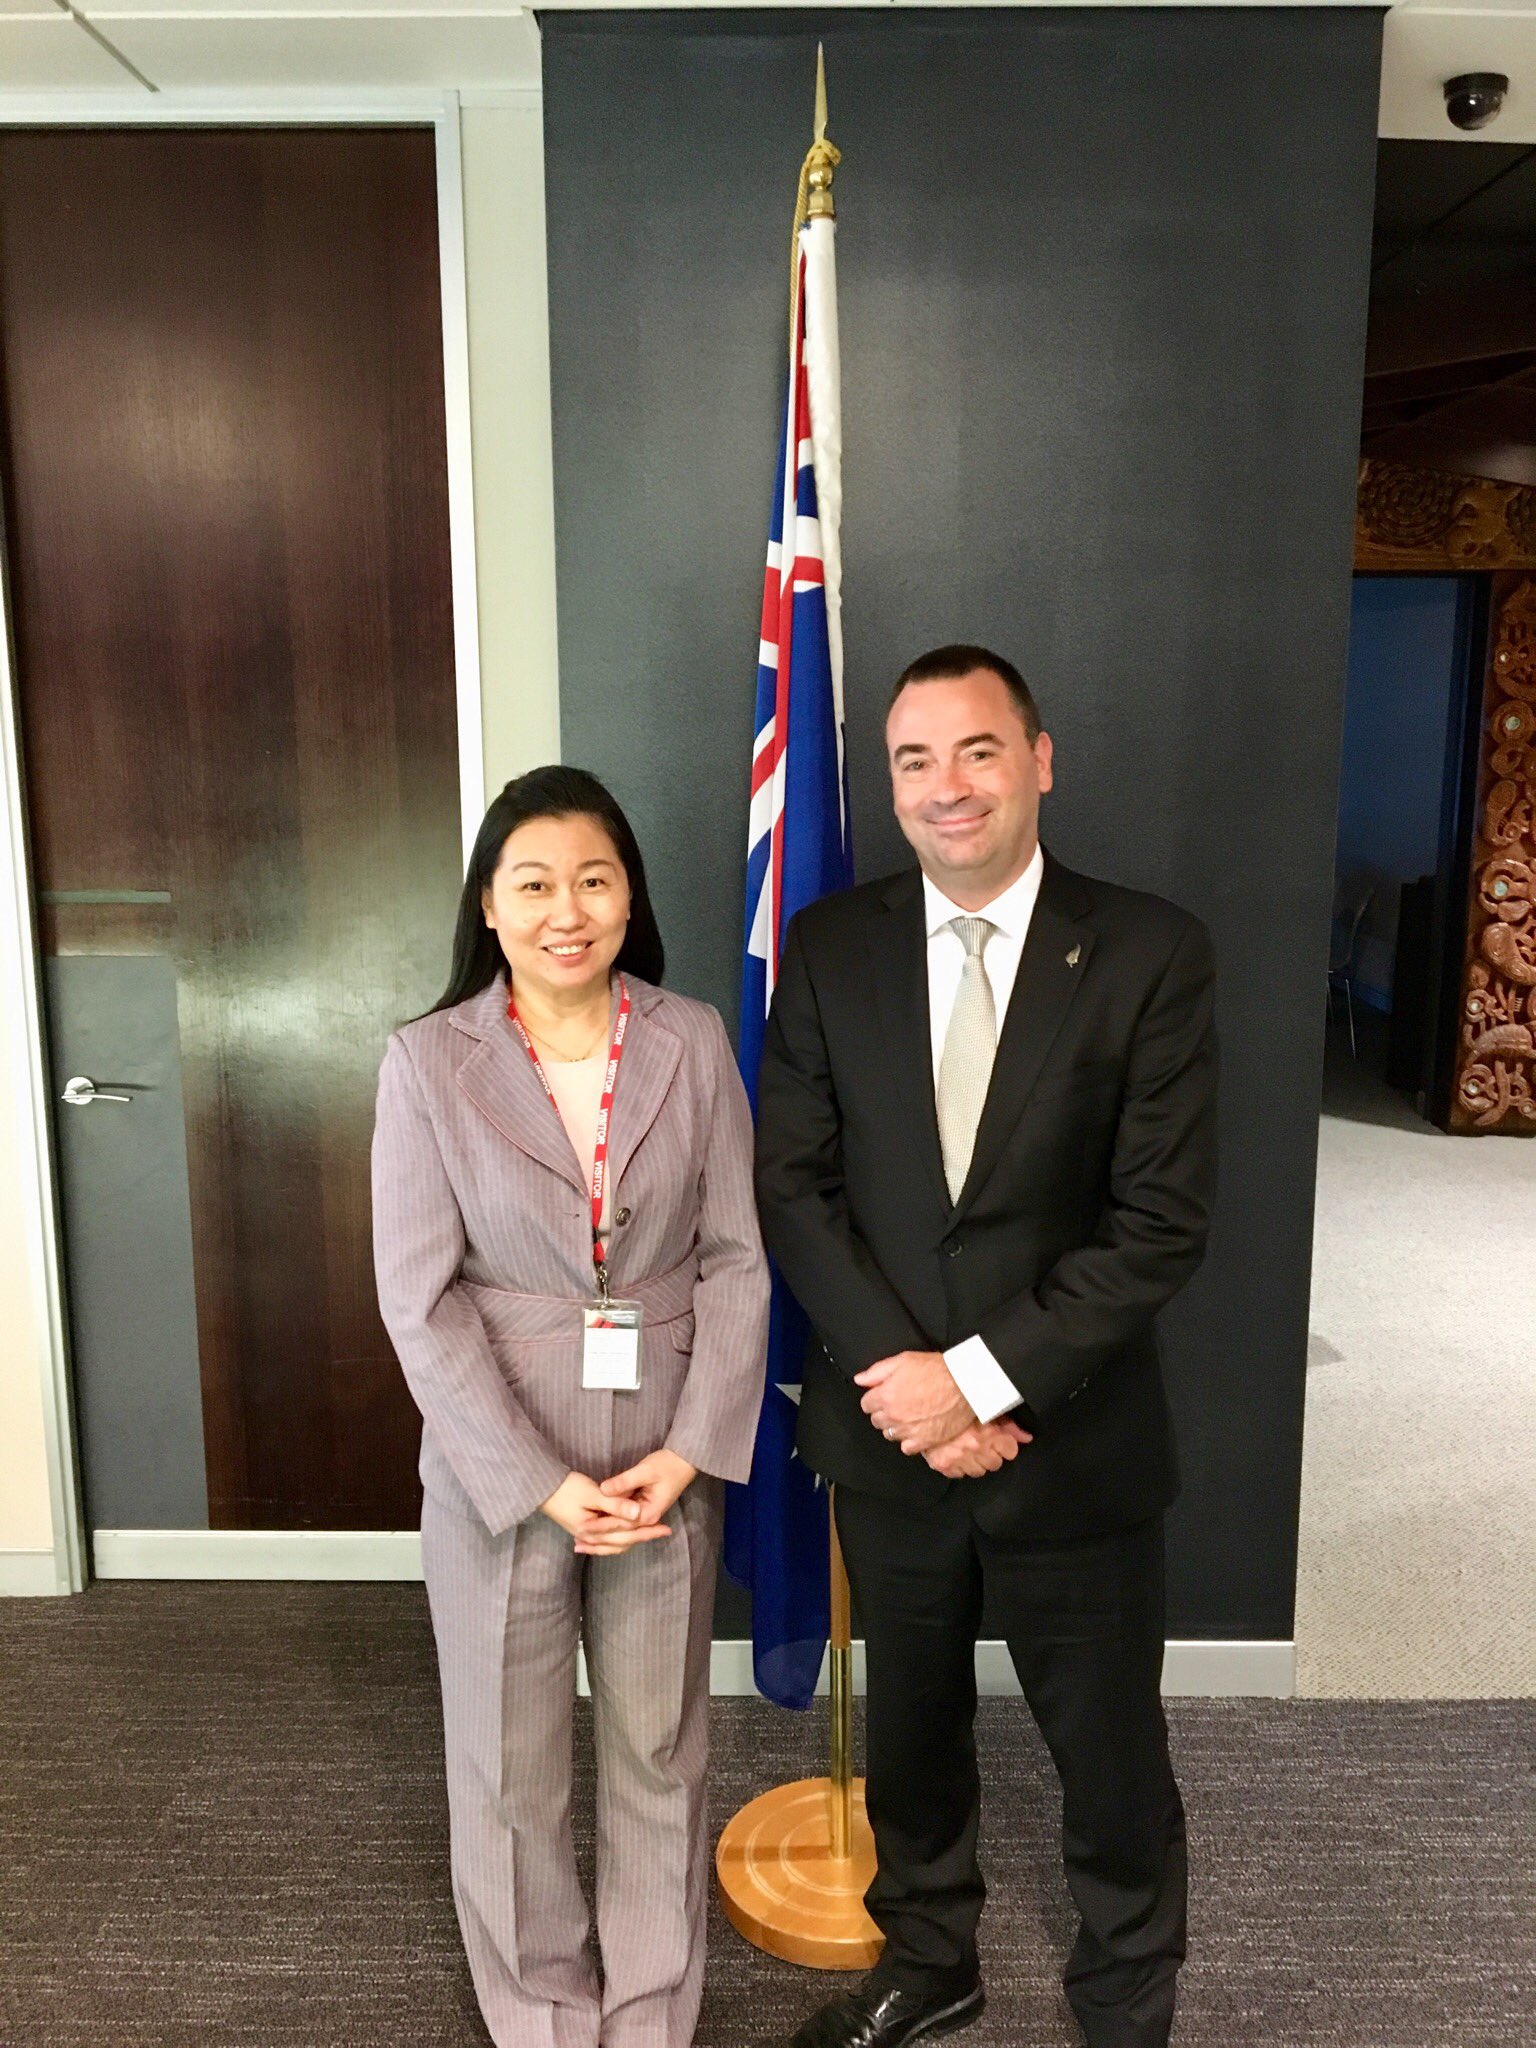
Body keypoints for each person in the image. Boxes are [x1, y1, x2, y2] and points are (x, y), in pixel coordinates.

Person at [755, 647, 1219, 2048]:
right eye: (915, 759)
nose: (945, 785)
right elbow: (795, 1187)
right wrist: (915, 1389)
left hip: (1070, 1438)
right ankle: (930, 1957)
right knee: (911, 1732)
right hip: (889, 1438)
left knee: (1109, 1748)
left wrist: (971, 1380)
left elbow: (1158, 1225)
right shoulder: (829, 946)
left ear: (1039, 761)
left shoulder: (1148, 951)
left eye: (977, 750)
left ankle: (1126, 1988)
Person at [372, 765, 769, 2048]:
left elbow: (736, 1258)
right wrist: (536, 1480)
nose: (567, 909)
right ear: (489, 904)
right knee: (510, 1766)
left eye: (594, 879)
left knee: (659, 1751)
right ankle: (543, 2012)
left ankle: (649, 2012)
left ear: (629, 896)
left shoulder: (692, 1039)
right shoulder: (429, 1062)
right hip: (503, 1465)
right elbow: (418, 1298)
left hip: (663, 1458)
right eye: (534, 882)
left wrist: (693, 1450)